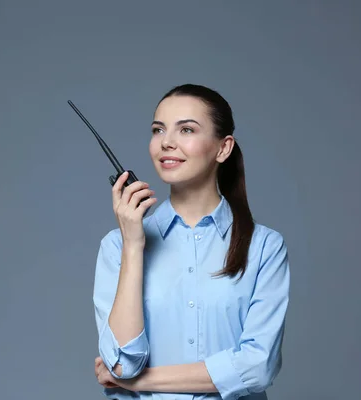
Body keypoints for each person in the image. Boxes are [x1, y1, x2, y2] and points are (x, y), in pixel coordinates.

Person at [92, 83, 290, 400]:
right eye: (158, 130)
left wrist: (140, 383)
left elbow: (258, 367)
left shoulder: (264, 247)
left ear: (223, 148)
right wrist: (133, 246)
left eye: (186, 130)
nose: (166, 142)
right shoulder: (117, 247)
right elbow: (122, 365)